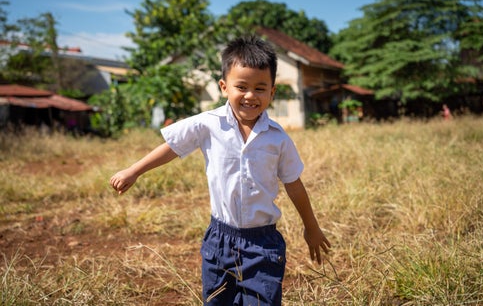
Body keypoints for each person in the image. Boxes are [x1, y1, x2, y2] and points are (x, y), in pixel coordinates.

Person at [109, 35, 331, 305]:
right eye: (242, 86)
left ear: (272, 92)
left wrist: (312, 227)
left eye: (260, 88)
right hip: (219, 240)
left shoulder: (278, 138)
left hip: (263, 244)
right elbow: (173, 146)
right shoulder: (208, 124)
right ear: (224, 87)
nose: (250, 95)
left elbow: (293, 183)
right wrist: (134, 170)